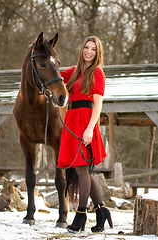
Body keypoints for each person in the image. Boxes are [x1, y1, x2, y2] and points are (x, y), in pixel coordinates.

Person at [57, 36, 113, 233]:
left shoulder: (97, 73)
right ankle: (102, 211)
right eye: (86, 48)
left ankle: (81, 215)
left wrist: (90, 129)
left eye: (93, 49)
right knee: (84, 171)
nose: (89, 51)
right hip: (72, 119)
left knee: (82, 170)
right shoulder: (73, 71)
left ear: (98, 53)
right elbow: (53, 77)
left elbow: (98, 105)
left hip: (86, 122)